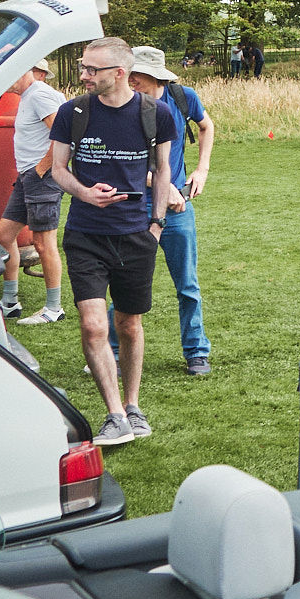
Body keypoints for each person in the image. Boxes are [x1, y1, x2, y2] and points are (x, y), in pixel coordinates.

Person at [48, 38, 178, 447]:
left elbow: (162, 173)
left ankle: (134, 405)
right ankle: (115, 414)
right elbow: (57, 169)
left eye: (91, 69)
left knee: (128, 324)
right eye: (84, 67)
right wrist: (85, 194)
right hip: (85, 234)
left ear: (119, 73)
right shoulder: (74, 112)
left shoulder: (156, 113)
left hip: (135, 236)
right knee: (92, 325)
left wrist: (155, 226)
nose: (83, 75)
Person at [110, 47, 215, 376]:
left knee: (187, 284)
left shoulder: (183, 98)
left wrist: (202, 170)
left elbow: (206, 127)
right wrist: (161, 184)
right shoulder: (122, 106)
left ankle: (196, 352)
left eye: (134, 76)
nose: (129, 81)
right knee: (127, 280)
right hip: (135, 209)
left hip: (178, 211)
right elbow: (121, 159)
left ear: (149, 77)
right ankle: (112, 351)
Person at [0, 61, 68, 324]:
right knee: (2, 234)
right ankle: (10, 303)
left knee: (43, 244)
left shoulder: (40, 94)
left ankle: (53, 308)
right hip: (28, 178)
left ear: (29, 70)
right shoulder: (29, 97)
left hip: (41, 179)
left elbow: (62, 134)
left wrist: (41, 168)